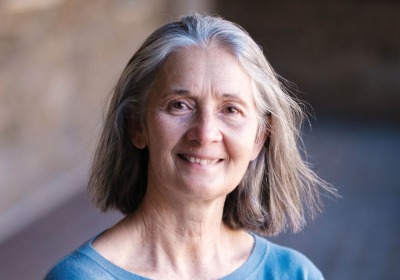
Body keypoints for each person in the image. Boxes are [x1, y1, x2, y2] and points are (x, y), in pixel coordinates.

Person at [46, 13, 335, 279]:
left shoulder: (295, 274)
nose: (205, 133)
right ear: (137, 126)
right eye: (180, 105)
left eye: (231, 110)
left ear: (259, 138)